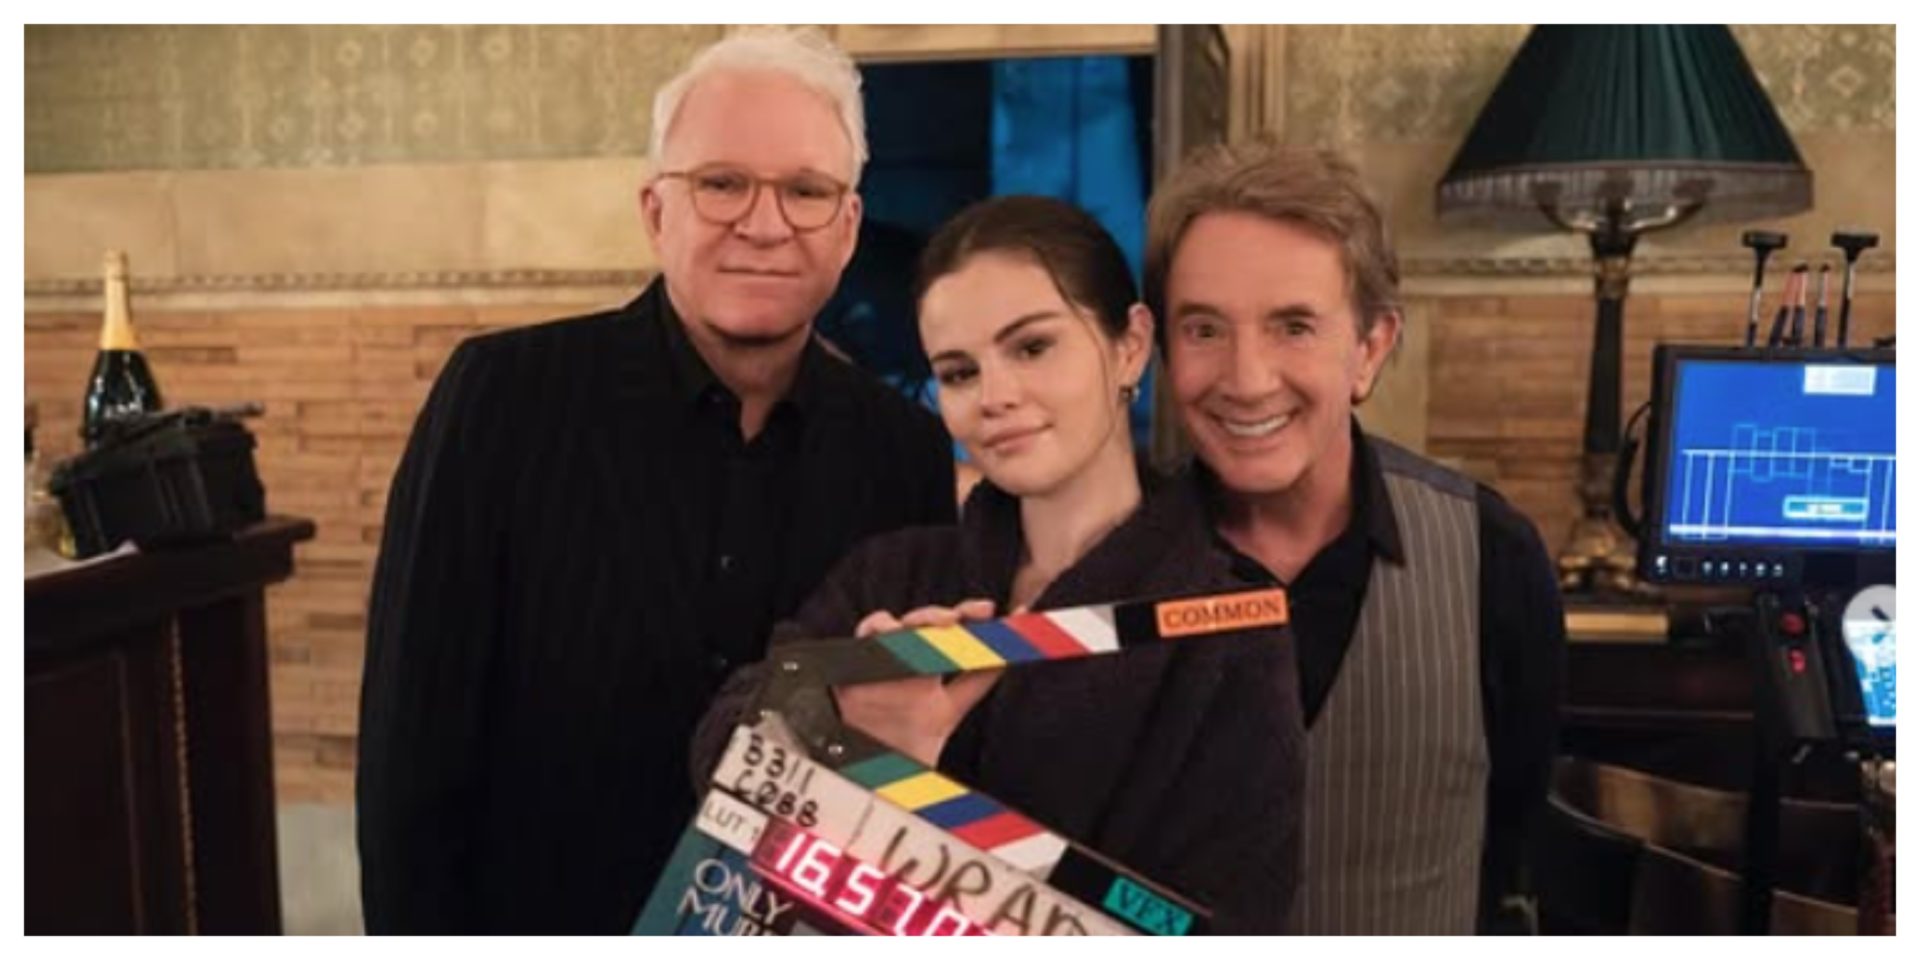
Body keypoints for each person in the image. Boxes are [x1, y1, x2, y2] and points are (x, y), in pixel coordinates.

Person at [356, 28, 957, 934]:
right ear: (655, 210)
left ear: (847, 228)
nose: (765, 224)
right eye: (722, 183)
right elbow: (412, 750)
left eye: (805, 191)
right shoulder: (502, 398)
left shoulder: (904, 451)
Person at [694, 195, 1305, 934]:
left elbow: (1225, 924)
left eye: (1032, 347)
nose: (995, 397)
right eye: (958, 372)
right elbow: (721, 755)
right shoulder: (892, 575)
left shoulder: (1226, 630)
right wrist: (852, 738)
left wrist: (889, 788)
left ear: (1130, 345)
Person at [1144, 140, 1567, 935]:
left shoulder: (1492, 557)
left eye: (1294, 326)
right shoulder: (1110, 562)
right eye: (1203, 329)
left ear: (1370, 348)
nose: (1246, 379)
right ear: (1162, 350)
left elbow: (1517, 849)